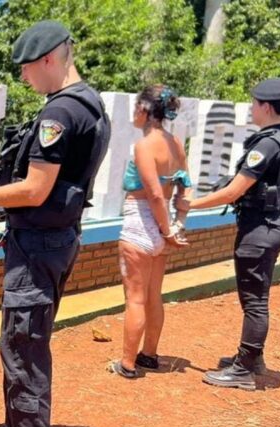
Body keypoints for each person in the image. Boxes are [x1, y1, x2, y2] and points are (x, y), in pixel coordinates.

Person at [0, 20, 110, 427]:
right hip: (54, 239)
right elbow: (49, 185)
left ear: (48, 60)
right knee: (22, 337)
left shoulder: (59, 114)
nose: (24, 77)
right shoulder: (91, 105)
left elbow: (37, 191)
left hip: (38, 245)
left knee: (25, 343)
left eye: (26, 69)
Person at [175, 78, 280, 391]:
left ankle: (244, 369)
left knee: (255, 303)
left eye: (254, 103)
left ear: (266, 106)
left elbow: (235, 190)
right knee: (257, 298)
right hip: (277, 223)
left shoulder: (267, 144)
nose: (251, 108)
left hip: (260, 229)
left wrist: (191, 205)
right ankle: (253, 359)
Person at [108, 85, 191, 379]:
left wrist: (167, 231)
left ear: (144, 110)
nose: (133, 113)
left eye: (135, 108)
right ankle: (150, 355)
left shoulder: (144, 146)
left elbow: (154, 193)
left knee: (135, 298)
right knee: (154, 295)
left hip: (141, 224)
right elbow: (184, 188)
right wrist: (177, 224)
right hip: (162, 223)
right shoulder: (177, 144)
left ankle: (128, 364)